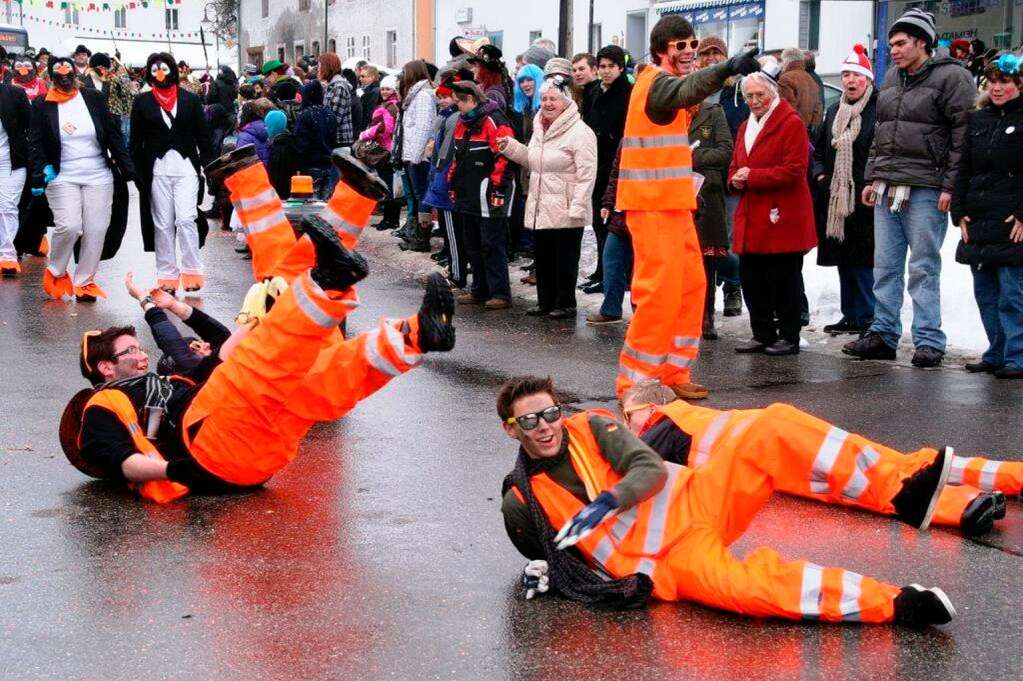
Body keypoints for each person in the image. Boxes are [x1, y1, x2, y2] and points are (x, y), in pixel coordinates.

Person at [66, 168, 457, 500]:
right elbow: (122, 462)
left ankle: (418, 335)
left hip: (241, 447)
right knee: (259, 366)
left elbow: (223, 345)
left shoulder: (172, 379)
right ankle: (324, 281)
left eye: (137, 349)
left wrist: (258, 321)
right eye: (129, 353)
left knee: (320, 379)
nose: (142, 356)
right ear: (104, 368)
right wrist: (176, 470)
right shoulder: (100, 408)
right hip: (211, 451)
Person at [498, 375, 958, 625]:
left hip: (699, 501)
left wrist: (607, 502)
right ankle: (897, 604)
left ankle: (901, 493)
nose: (545, 425)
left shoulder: (592, 426)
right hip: (670, 563)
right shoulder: (520, 500)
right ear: (511, 429)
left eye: (551, 413)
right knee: (750, 590)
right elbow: (548, 550)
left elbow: (650, 469)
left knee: (772, 426)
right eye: (531, 420)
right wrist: (552, 571)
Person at [620, 380, 1015, 536]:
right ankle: (994, 485)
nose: (628, 424)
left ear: (649, 406)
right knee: (891, 464)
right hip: (778, 441)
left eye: (629, 415)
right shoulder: (690, 417)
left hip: (773, 447)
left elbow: (641, 468)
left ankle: (963, 506)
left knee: (862, 485)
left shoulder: (662, 420)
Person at [613, 14, 760, 401]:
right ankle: (638, 382)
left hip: (674, 205)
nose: (688, 52)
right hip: (650, 206)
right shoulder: (654, 84)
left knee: (690, 289)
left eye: (691, 45)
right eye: (680, 46)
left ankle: (674, 371)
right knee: (659, 293)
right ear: (662, 50)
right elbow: (686, 89)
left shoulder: (666, 85)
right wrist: (725, 68)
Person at [844, 9, 976, 368]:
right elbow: (881, 132)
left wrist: (951, 185)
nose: (895, 50)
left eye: (901, 43)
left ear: (922, 42)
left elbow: (963, 137)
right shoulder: (892, 77)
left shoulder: (954, 77)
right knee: (884, 265)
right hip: (888, 184)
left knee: (923, 267)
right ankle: (884, 334)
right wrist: (873, 177)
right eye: (891, 44)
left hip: (927, 187)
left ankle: (929, 340)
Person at [29, 56, 134, 302]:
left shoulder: (93, 98)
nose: (65, 77)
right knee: (70, 226)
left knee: (96, 228)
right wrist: (41, 169)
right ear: (51, 77)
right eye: (59, 73)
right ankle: (56, 271)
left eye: (69, 72)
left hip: (98, 174)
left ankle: (85, 281)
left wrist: (129, 168)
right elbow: (35, 141)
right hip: (62, 175)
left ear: (76, 74)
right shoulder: (42, 104)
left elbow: (112, 134)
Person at [728, 70, 816, 356]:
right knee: (752, 278)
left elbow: (794, 170)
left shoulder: (791, 123)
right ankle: (762, 332)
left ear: (773, 93)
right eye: (749, 96)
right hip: (753, 213)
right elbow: (735, 164)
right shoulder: (745, 127)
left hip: (783, 214)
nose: (754, 101)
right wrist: (735, 179)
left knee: (783, 279)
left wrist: (752, 176)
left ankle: (789, 335)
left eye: (759, 95)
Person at [499, 75, 597, 319]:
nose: (548, 103)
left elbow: (587, 175)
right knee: (543, 256)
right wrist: (510, 147)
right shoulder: (540, 127)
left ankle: (565, 303)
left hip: (566, 205)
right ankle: (546, 301)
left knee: (564, 258)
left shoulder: (580, 132)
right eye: (544, 99)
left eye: (553, 98)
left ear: (565, 102)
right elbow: (533, 160)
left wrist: (578, 206)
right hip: (542, 204)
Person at [952, 53, 1023, 380]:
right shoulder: (978, 120)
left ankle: (1017, 356)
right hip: (979, 219)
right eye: (992, 81)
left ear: (1018, 84)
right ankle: (996, 351)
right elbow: (963, 168)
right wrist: (959, 210)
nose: (997, 88)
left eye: (1004, 82)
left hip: (1011, 221)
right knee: (986, 293)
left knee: (1012, 293)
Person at [130, 53, 214, 294]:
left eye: (164, 69)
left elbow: (203, 137)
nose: (160, 73)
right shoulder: (142, 102)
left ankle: (192, 270)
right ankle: (166, 274)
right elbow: (135, 141)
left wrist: (209, 167)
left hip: (186, 167)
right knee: (163, 223)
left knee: (186, 218)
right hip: (157, 170)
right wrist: (137, 172)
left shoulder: (190, 100)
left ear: (173, 71)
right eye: (155, 69)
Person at [813, 45, 878, 337]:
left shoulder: (878, 110)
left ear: (868, 79)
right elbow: (818, 150)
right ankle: (849, 314)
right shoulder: (834, 110)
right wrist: (820, 175)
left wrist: (872, 181)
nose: (850, 81)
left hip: (864, 195)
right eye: (846, 75)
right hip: (836, 196)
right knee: (843, 258)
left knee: (864, 259)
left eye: (856, 75)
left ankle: (867, 315)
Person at [447, 81, 515, 310]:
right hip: (468, 191)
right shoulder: (463, 122)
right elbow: (458, 155)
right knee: (472, 242)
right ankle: (479, 289)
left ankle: (500, 293)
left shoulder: (494, 119)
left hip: (489, 191)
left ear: (470, 99)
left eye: (458, 102)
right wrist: (452, 182)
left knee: (491, 243)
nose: (457, 107)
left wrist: (497, 188)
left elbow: (504, 157)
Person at [697, 36, 745, 319]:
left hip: (729, 173)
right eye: (706, 53)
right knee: (703, 240)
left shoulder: (738, 90)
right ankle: (705, 299)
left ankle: (732, 286)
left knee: (727, 241)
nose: (712, 58)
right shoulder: (696, 89)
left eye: (717, 53)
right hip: (699, 176)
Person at [580, 45, 632, 297]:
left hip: (615, 164)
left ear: (620, 68)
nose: (606, 71)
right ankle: (601, 272)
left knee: (611, 223)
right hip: (595, 163)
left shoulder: (627, 93)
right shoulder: (593, 92)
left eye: (611, 66)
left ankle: (613, 277)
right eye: (602, 66)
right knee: (599, 224)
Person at [422, 71, 466, 286]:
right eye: (439, 97)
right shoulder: (447, 116)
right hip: (443, 176)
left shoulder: (454, 118)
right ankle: (455, 265)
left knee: (453, 230)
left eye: (445, 96)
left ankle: (457, 272)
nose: (442, 100)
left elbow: (445, 154)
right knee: (451, 230)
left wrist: (439, 175)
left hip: (447, 178)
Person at [396, 60, 438, 253]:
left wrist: (415, 155)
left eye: (405, 72)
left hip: (419, 156)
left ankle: (422, 237)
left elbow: (423, 127)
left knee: (422, 195)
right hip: (412, 153)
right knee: (418, 194)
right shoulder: (414, 95)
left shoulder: (422, 96)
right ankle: (418, 235)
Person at [360, 74, 401, 232]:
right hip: (385, 150)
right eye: (383, 88)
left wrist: (366, 134)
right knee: (387, 185)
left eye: (388, 88)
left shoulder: (391, 106)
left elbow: (386, 128)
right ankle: (389, 219)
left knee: (388, 186)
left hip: (386, 151)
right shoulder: (387, 104)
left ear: (394, 90)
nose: (384, 91)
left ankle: (391, 220)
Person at [0, 77, 31, 276]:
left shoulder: (14, 94)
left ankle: (7, 255)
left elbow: (31, 124)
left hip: (10, 161)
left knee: (7, 205)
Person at [295, 79, 338, 200]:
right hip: (328, 164)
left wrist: (299, 166)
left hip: (311, 165)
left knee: (310, 205)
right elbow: (333, 138)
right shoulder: (330, 114)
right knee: (324, 203)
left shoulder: (305, 115)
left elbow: (302, 144)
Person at [778, 47, 823, 132]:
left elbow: (786, 108)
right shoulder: (810, 79)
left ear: (787, 62)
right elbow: (818, 107)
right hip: (807, 132)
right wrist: (811, 127)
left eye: (782, 61)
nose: (782, 64)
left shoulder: (786, 78)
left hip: (791, 131)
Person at [571, 52, 599, 117]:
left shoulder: (599, 92)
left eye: (581, 69)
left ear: (594, 70)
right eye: (574, 70)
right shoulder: (583, 91)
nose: (577, 73)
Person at [358, 64, 381, 132]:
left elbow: (369, 115)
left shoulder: (374, 92)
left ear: (372, 77)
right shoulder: (369, 91)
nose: (360, 79)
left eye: (363, 76)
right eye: (360, 76)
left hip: (368, 130)